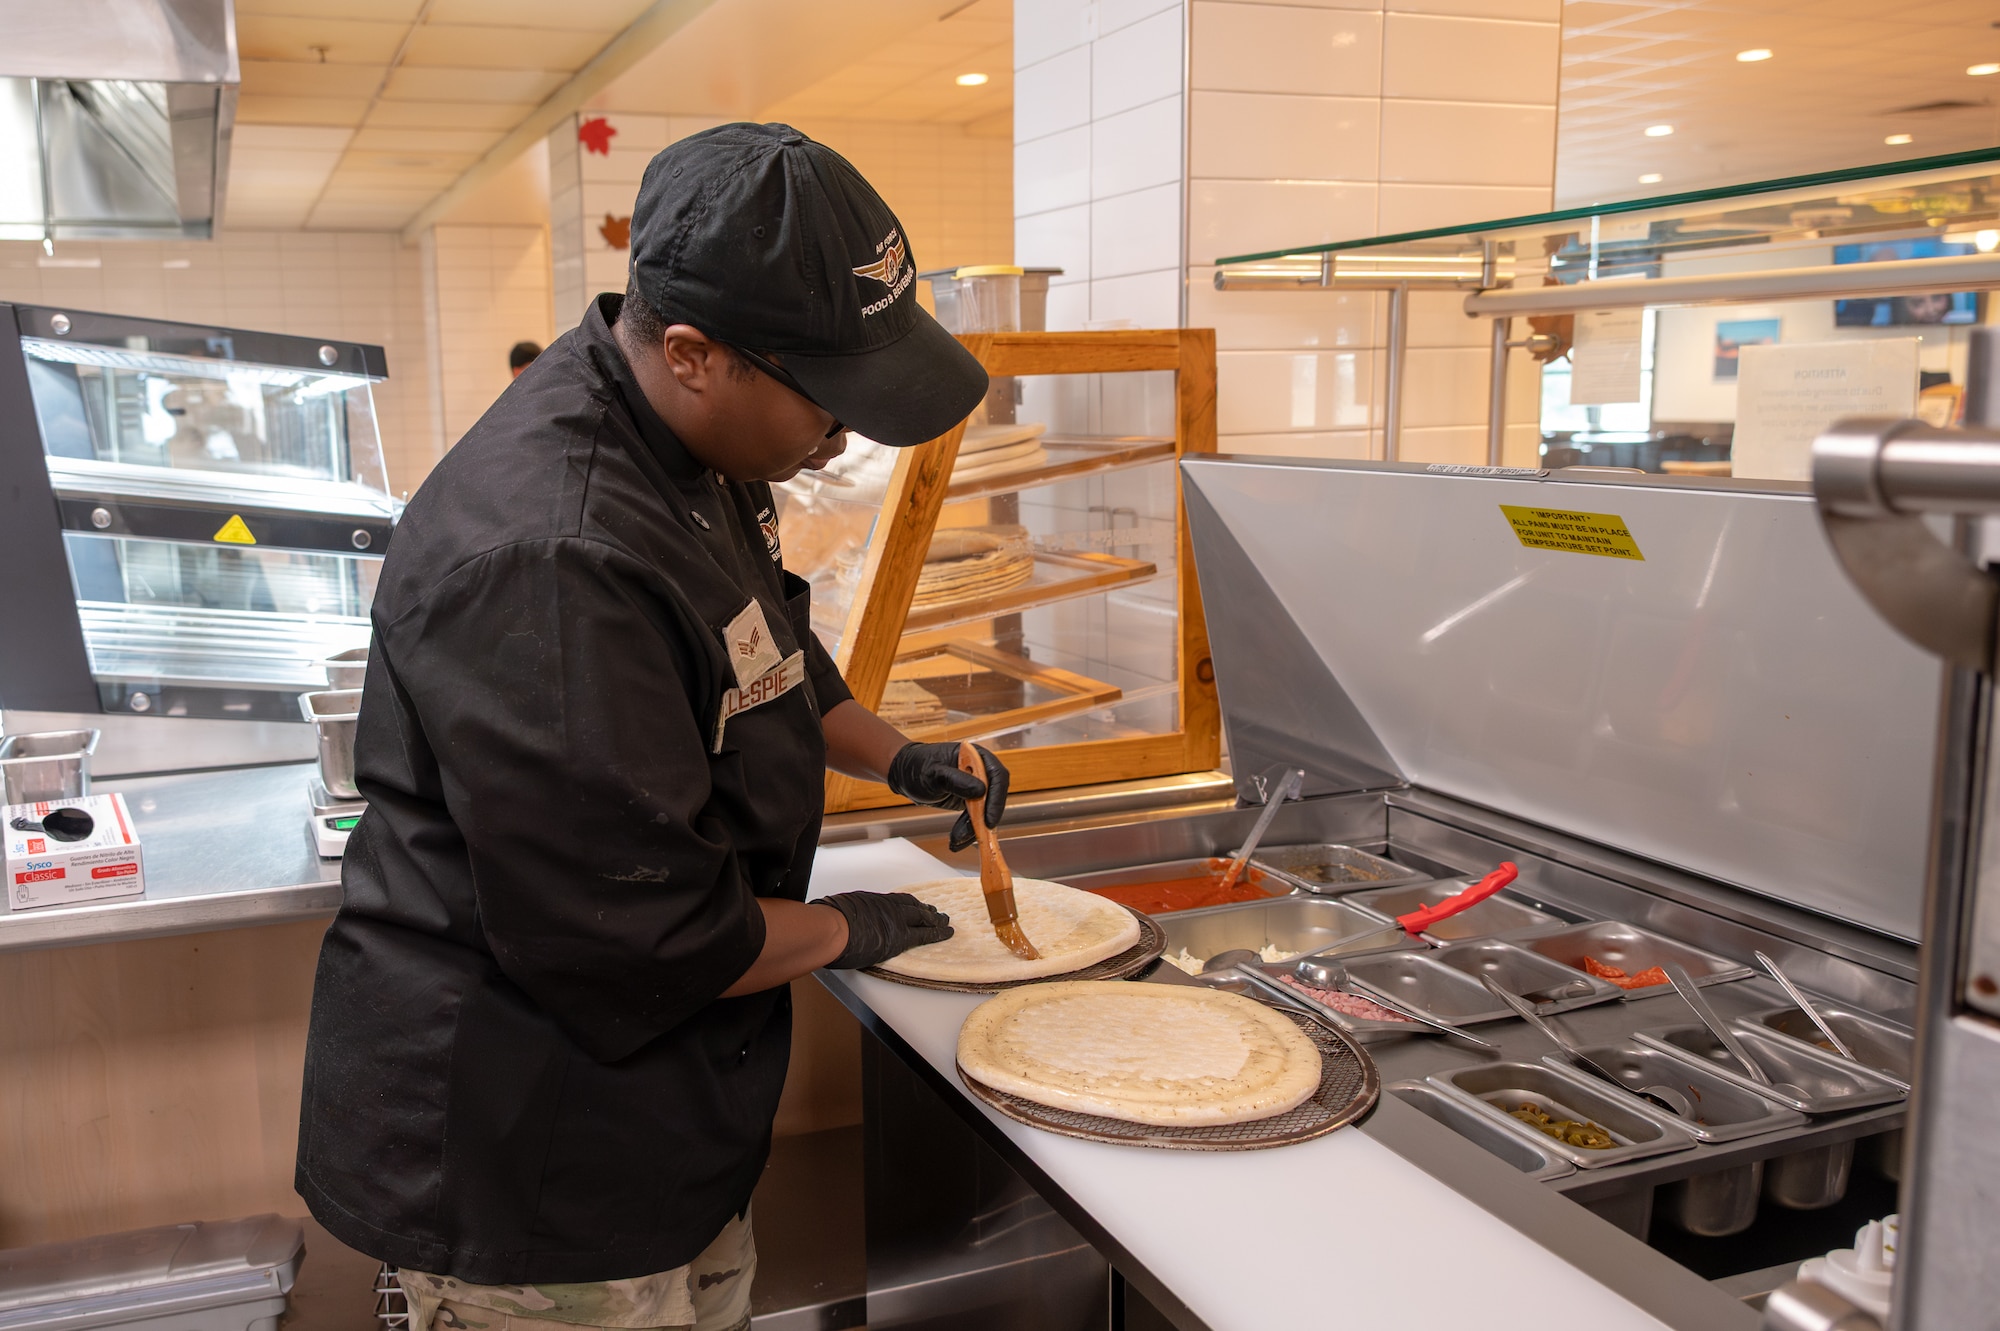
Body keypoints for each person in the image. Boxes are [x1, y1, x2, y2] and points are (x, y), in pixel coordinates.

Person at [295, 123, 1009, 1331]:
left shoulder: (691, 442)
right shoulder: (552, 560)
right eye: (827, 402)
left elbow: (766, 650)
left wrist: (899, 755)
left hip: (662, 1116)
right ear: (692, 351)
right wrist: (855, 926)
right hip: (533, 1150)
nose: (839, 439)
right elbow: (652, 940)